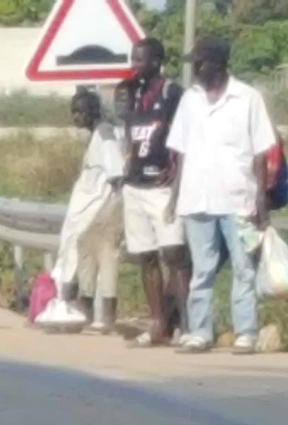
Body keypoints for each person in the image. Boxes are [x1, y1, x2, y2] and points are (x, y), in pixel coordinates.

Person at [165, 36, 277, 354]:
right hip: (196, 198)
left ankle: (246, 332)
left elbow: (259, 151)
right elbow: (181, 154)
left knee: (244, 268)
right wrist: (174, 198)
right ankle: (200, 331)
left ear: (217, 63)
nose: (196, 70)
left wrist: (260, 197)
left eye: (200, 63)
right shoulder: (190, 100)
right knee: (202, 269)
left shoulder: (247, 98)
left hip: (238, 198)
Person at [119, 38, 191, 347]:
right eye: (133, 60)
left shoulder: (173, 93)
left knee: (174, 254)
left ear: (157, 61)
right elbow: (127, 132)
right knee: (146, 257)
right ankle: (157, 322)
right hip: (135, 185)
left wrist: (177, 170)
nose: (136, 66)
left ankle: (188, 326)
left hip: (162, 187)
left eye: (141, 60)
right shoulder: (130, 93)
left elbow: (187, 135)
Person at [37, 89, 125, 333]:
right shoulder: (95, 135)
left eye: (80, 111)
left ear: (92, 111)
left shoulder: (105, 136)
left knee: (101, 260)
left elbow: (116, 175)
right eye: (73, 112)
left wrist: (109, 212)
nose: (76, 117)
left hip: (100, 209)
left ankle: (103, 317)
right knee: (81, 258)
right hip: (87, 209)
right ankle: (81, 310)